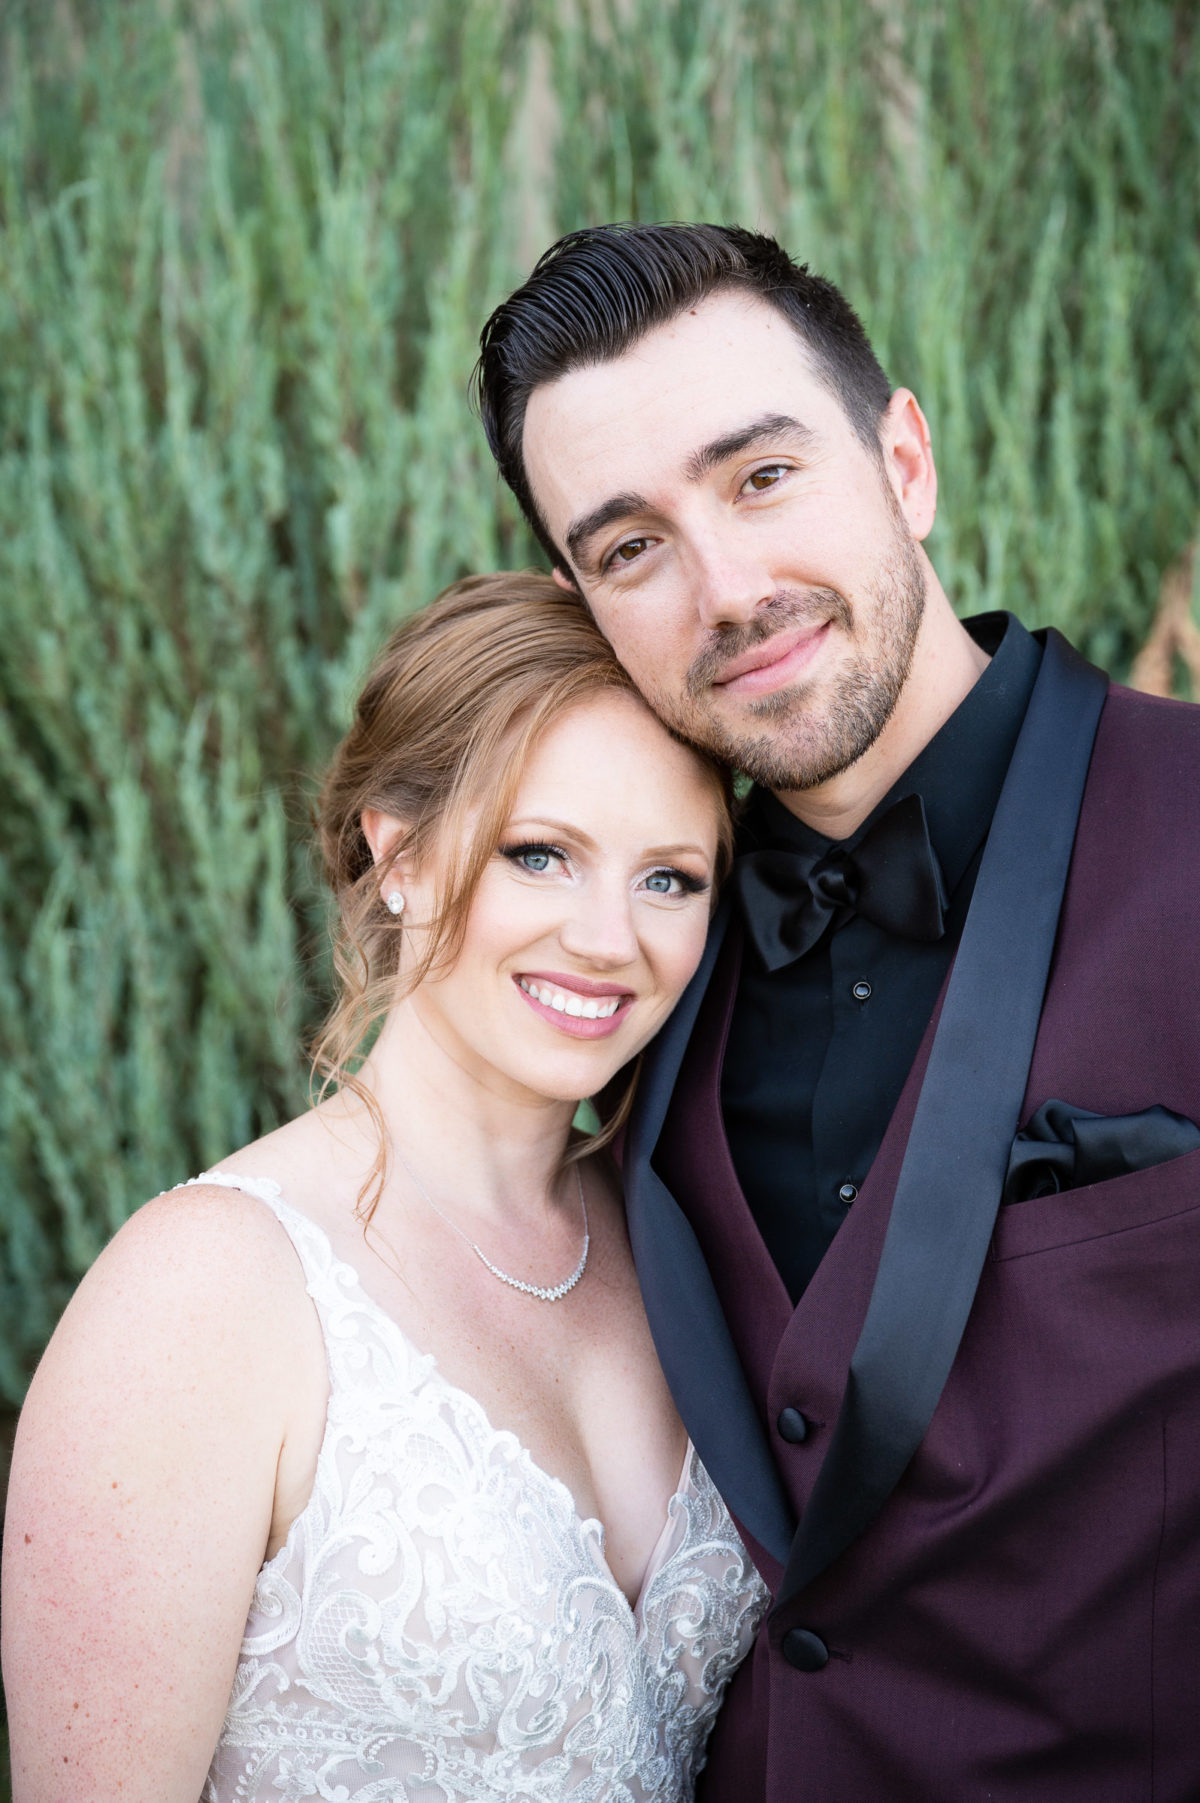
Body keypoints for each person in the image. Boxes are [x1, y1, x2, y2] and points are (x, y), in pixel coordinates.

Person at [472, 224, 1200, 1801]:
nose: (726, 589)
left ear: (905, 458)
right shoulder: (623, 963)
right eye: (632, 546)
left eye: (760, 476)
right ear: (583, 599)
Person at [1, 572, 770, 1802]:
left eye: (668, 877)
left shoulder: (681, 1239)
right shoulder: (204, 1295)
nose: (609, 937)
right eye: (541, 854)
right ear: (397, 853)